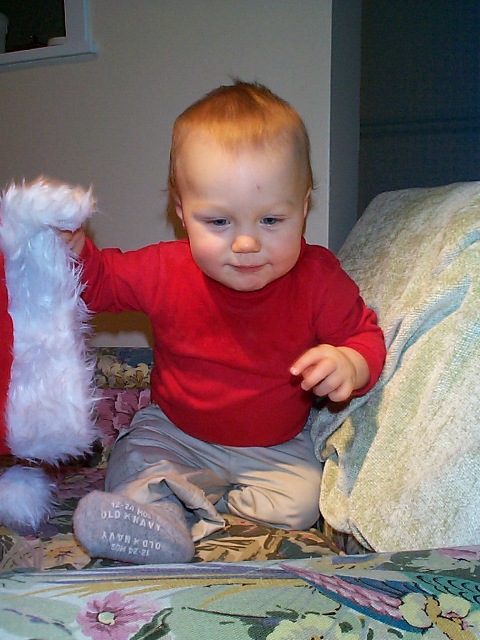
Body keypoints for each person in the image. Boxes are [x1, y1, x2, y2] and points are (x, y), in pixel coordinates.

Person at [70, 81, 386, 564]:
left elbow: (364, 336)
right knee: (132, 461)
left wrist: (349, 362)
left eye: (271, 220)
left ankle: (194, 502)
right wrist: (72, 253)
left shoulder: (318, 278)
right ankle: (160, 515)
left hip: (275, 445)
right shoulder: (164, 269)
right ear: (182, 212)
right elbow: (99, 284)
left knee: (303, 503)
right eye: (218, 222)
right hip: (176, 431)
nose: (245, 244)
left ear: (303, 207)